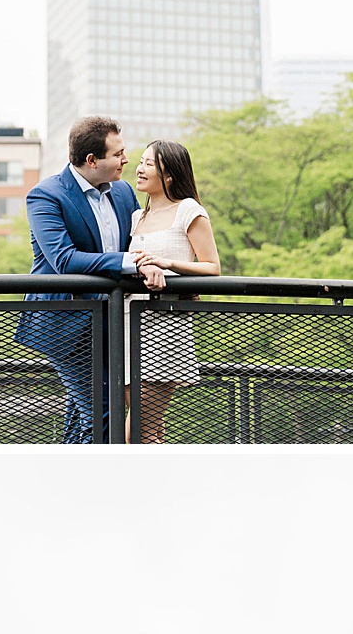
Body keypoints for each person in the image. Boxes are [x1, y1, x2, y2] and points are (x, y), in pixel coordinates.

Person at [14, 116, 167, 441]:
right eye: (118, 154)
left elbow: (142, 243)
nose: (126, 160)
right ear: (92, 160)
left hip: (113, 321)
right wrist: (131, 264)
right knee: (104, 414)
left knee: (87, 415)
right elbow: (64, 259)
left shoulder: (124, 193)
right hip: (63, 324)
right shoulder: (46, 196)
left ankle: (71, 480)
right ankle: (100, 485)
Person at [125, 138, 221, 444]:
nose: (139, 169)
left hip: (165, 329)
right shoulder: (136, 218)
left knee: (135, 434)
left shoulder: (188, 210)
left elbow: (212, 267)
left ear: (169, 175)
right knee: (150, 430)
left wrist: (169, 264)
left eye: (149, 164)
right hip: (128, 324)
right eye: (140, 162)